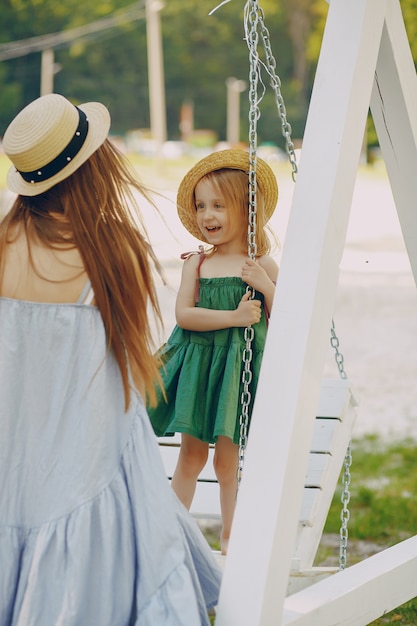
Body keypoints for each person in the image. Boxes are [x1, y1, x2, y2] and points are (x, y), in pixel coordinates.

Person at [0, 93, 221, 626]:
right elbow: (131, 369)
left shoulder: (3, 244)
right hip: (87, 465)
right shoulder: (109, 248)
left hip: (13, 466)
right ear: (94, 165)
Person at [148, 149, 279, 555]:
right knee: (190, 456)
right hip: (199, 366)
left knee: (228, 462)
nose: (207, 215)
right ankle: (169, 535)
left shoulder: (261, 264)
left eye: (218, 205)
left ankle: (230, 539)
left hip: (236, 372)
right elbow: (185, 315)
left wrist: (266, 284)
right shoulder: (198, 264)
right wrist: (235, 317)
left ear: (246, 209)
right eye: (201, 206)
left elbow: (286, 317)